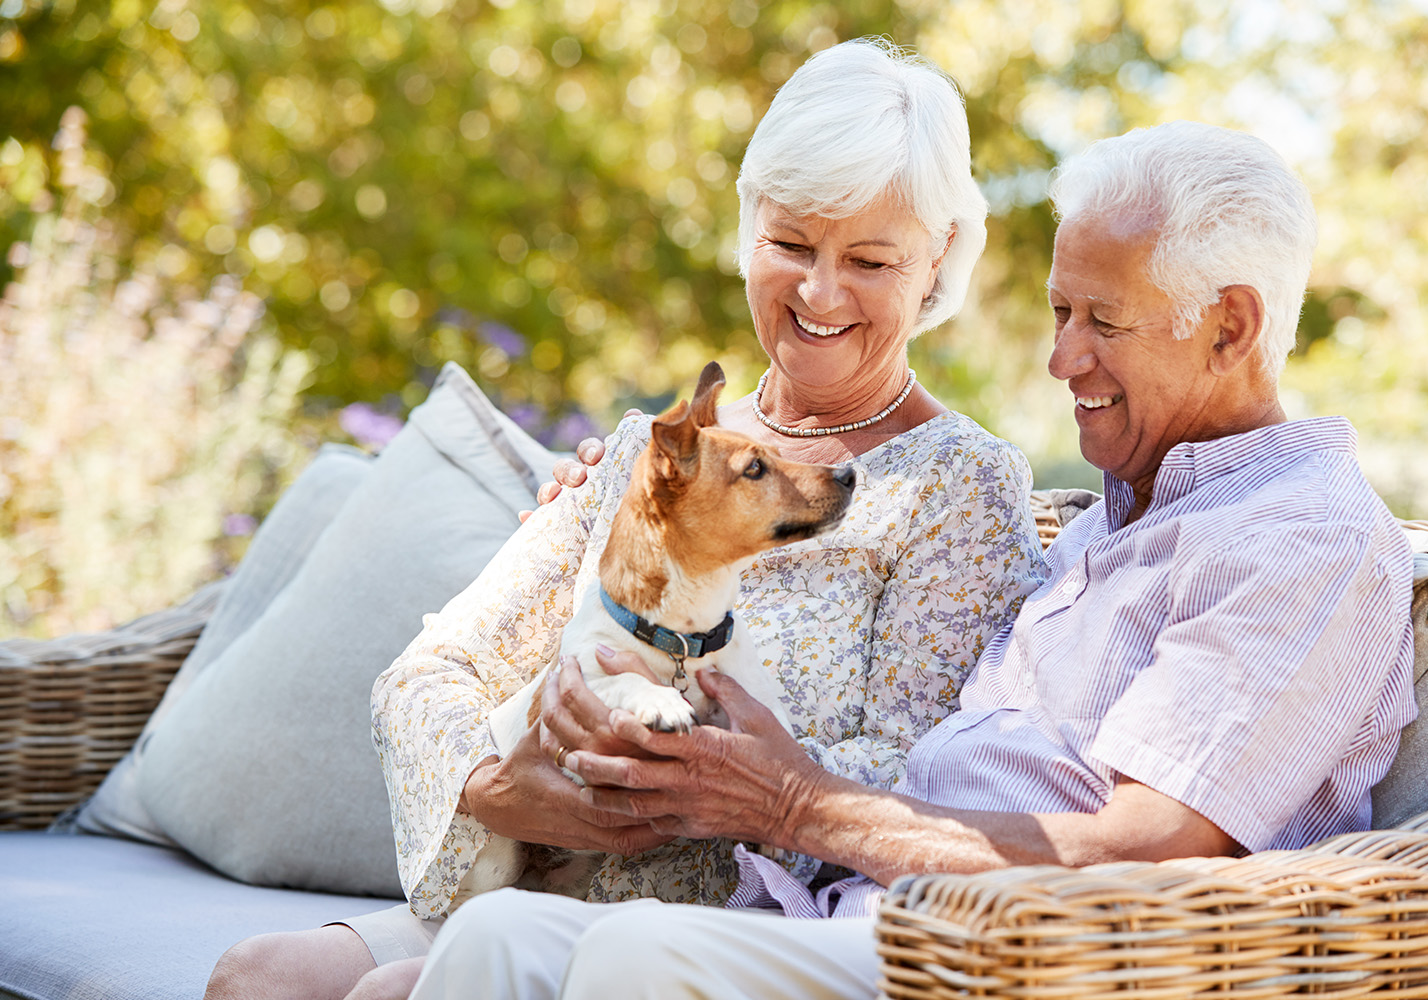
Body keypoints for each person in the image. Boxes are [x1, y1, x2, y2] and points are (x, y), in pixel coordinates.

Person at [399, 120, 1418, 1000]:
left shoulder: (1303, 541)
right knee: (497, 937)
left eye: (1103, 321)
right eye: (1062, 312)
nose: (1062, 359)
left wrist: (798, 802)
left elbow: (1140, 846)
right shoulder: (1129, 513)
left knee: (641, 954)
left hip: (1005, 957)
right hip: (860, 911)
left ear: (1229, 327)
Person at [203, 38, 1045, 1000]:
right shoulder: (650, 455)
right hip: (545, 866)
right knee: (258, 977)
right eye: (791, 245)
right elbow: (431, 672)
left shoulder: (959, 484)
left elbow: (919, 770)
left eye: (869, 259)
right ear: (747, 228)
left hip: (734, 917)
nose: (820, 292)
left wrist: (695, 775)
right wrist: (500, 788)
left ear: (936, 262)